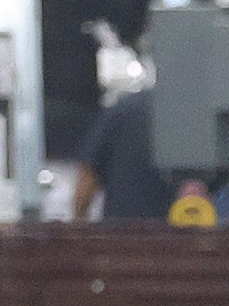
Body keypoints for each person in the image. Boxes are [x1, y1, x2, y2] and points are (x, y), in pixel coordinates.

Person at [67, 31, 180, 226]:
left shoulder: (122, 111)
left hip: (122, 238)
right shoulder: (195, 117)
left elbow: (88, 175)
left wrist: (78, 223)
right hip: (183, 240)